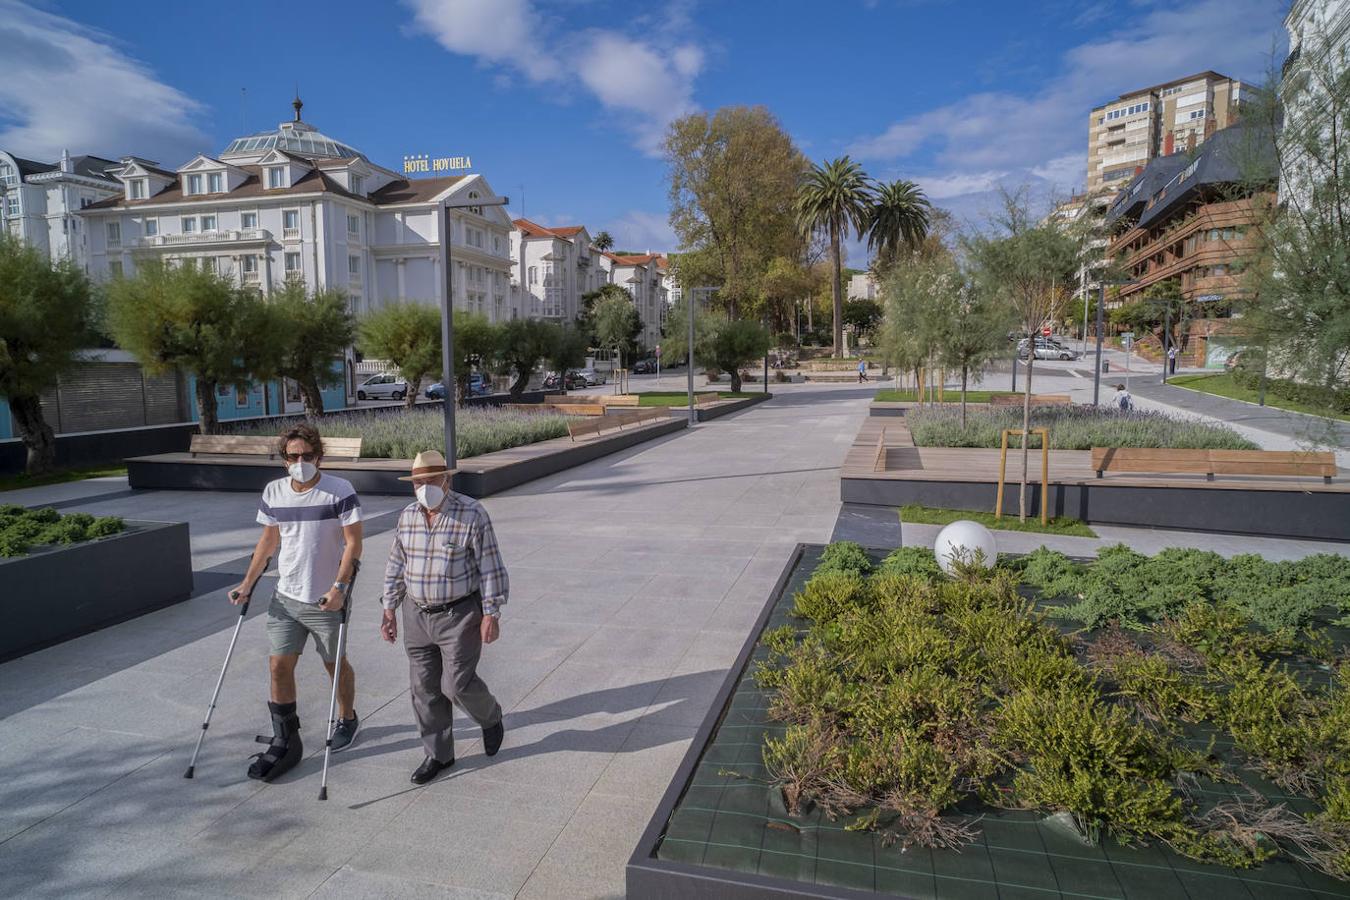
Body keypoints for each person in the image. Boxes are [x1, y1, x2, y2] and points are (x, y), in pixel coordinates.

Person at [231, 423, 364, 782]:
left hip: (325, 599)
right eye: (294, 456)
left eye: (307, 455)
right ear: (284, 459)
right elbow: (268, 541)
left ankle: (348, 718)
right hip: (285, 596)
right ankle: (286, 736)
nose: (301, 461)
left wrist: (339, 586)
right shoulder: (274, 491)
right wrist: (246, 583)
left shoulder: (339, 491)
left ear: (319, 455)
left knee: (333, 666)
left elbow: (353, 543)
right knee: (278, 667)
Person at [381, 450, 507, 785]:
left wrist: (491, 612)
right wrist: (389, 607)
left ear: (446, 480)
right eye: (417, 483)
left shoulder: (471, 514)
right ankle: (438, 754)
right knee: (423, 688)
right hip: (416, 614)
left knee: (456, 685)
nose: (423, 488)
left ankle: (490, 716)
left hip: (459, 614)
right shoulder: (407, 516)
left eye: (430, 481)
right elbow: (396, 564)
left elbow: (491, 567)